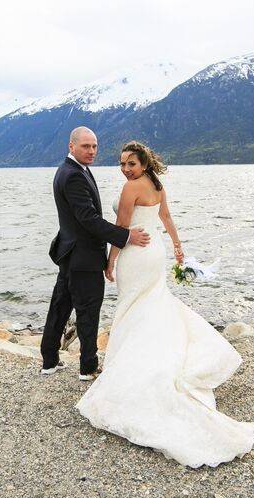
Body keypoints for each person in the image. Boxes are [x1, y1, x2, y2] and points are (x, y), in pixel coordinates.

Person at [75, 141, 254, 468]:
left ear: (143, 162)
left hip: (136, 254)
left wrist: (110, 262)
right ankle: (155, 355)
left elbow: (121, 228)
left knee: (133, 308)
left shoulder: (131, 188)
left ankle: (133, 366)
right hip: (154, 250)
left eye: (131, 163)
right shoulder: (157, 185)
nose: (125, 169)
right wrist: (176, 245)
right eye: (122, 164)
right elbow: (166, 216)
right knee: (152, 305)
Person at [40, 127, 151, 381]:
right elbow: (89, 219)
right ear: (71, 146)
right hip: (83, 257)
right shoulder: (73, 175)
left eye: (94, 146)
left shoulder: (72, 169)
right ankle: (88, 368)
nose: (91, 151)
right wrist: (126, 236)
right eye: (85, 146)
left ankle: (49, 360)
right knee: (88, 311)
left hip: (70, 253)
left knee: (60, 306)